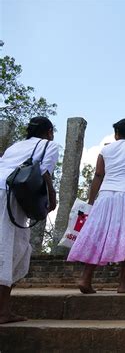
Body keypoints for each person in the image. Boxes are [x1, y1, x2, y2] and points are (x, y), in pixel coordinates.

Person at [68, 119, 125, 294]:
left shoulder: (105, 149)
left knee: (98, 234)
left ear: (116, 133)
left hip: (106, 194)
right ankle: (123, 284)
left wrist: (91, 201)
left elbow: (98, 174)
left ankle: (86, 278)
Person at [0, 117, 59, 324]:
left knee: (9, 247)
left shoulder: (15, 146)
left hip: (4, 188)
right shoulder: (49, 145)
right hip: (12, 193)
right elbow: (44, 172)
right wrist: (52, 196)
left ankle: (4, 310)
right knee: (12, 249)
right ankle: (3, 311)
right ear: (49, 131)